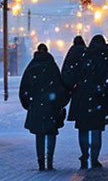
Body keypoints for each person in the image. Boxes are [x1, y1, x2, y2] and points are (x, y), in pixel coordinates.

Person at [66, 34, 108, 169]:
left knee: (83, 129)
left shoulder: (83, 55)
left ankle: (84, 156)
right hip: (99, 99)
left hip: (82, 98)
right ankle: (94, 158)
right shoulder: (106, 56)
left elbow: (71, 75)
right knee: (96, 129)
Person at [19, 43, 70, 171]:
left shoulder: (31, 67)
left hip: (36, 105)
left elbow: (24, 88)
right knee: (51, 132)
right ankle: (50, 161)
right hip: (51, 106)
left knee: (39, 135)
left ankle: (41, 162)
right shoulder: (52, 67)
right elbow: (60, 87)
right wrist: (60, 102)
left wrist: (28, 104)